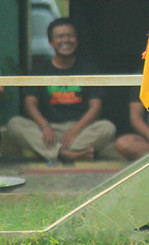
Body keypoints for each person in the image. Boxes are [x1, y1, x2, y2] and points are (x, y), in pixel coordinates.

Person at [6, 18, 116, 163]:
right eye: (60, 36)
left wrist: (75, 130)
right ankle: (67, 154)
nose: (66, 40)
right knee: (15, 123)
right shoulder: (40, 70)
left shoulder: (88, 68)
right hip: (48, 130)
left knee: (107, 128)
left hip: (80, 130)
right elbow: (30, 103)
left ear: (76, 40)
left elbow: (96, 106)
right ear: (51, 42)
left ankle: (52, 153)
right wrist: (44, 126)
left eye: (70, 36)